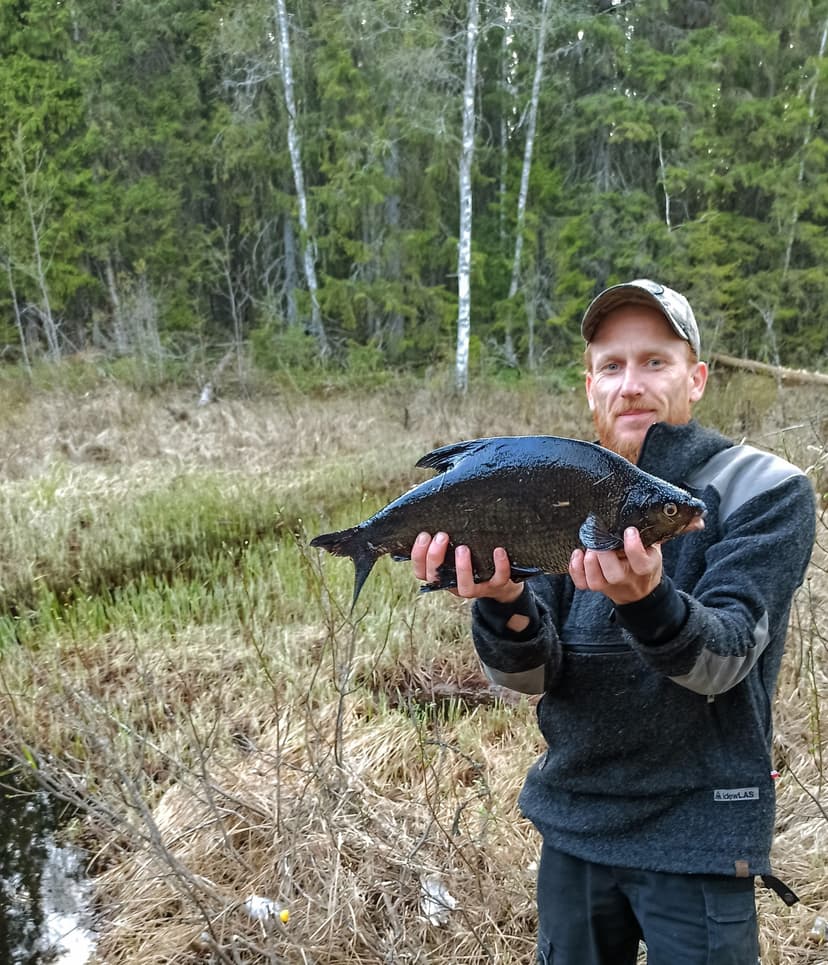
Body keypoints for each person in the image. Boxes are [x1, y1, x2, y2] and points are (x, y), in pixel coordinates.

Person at [411, 279, 817, 965]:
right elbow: (533, 674)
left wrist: (646, 598)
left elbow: (724, 657)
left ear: (697, 378)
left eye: (655, 361)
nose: (632, 384)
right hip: (575, 824)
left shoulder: (766, 489)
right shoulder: (561, 481)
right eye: (612, 366)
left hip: (701, 832)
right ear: (590, 386)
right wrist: (502, 599)